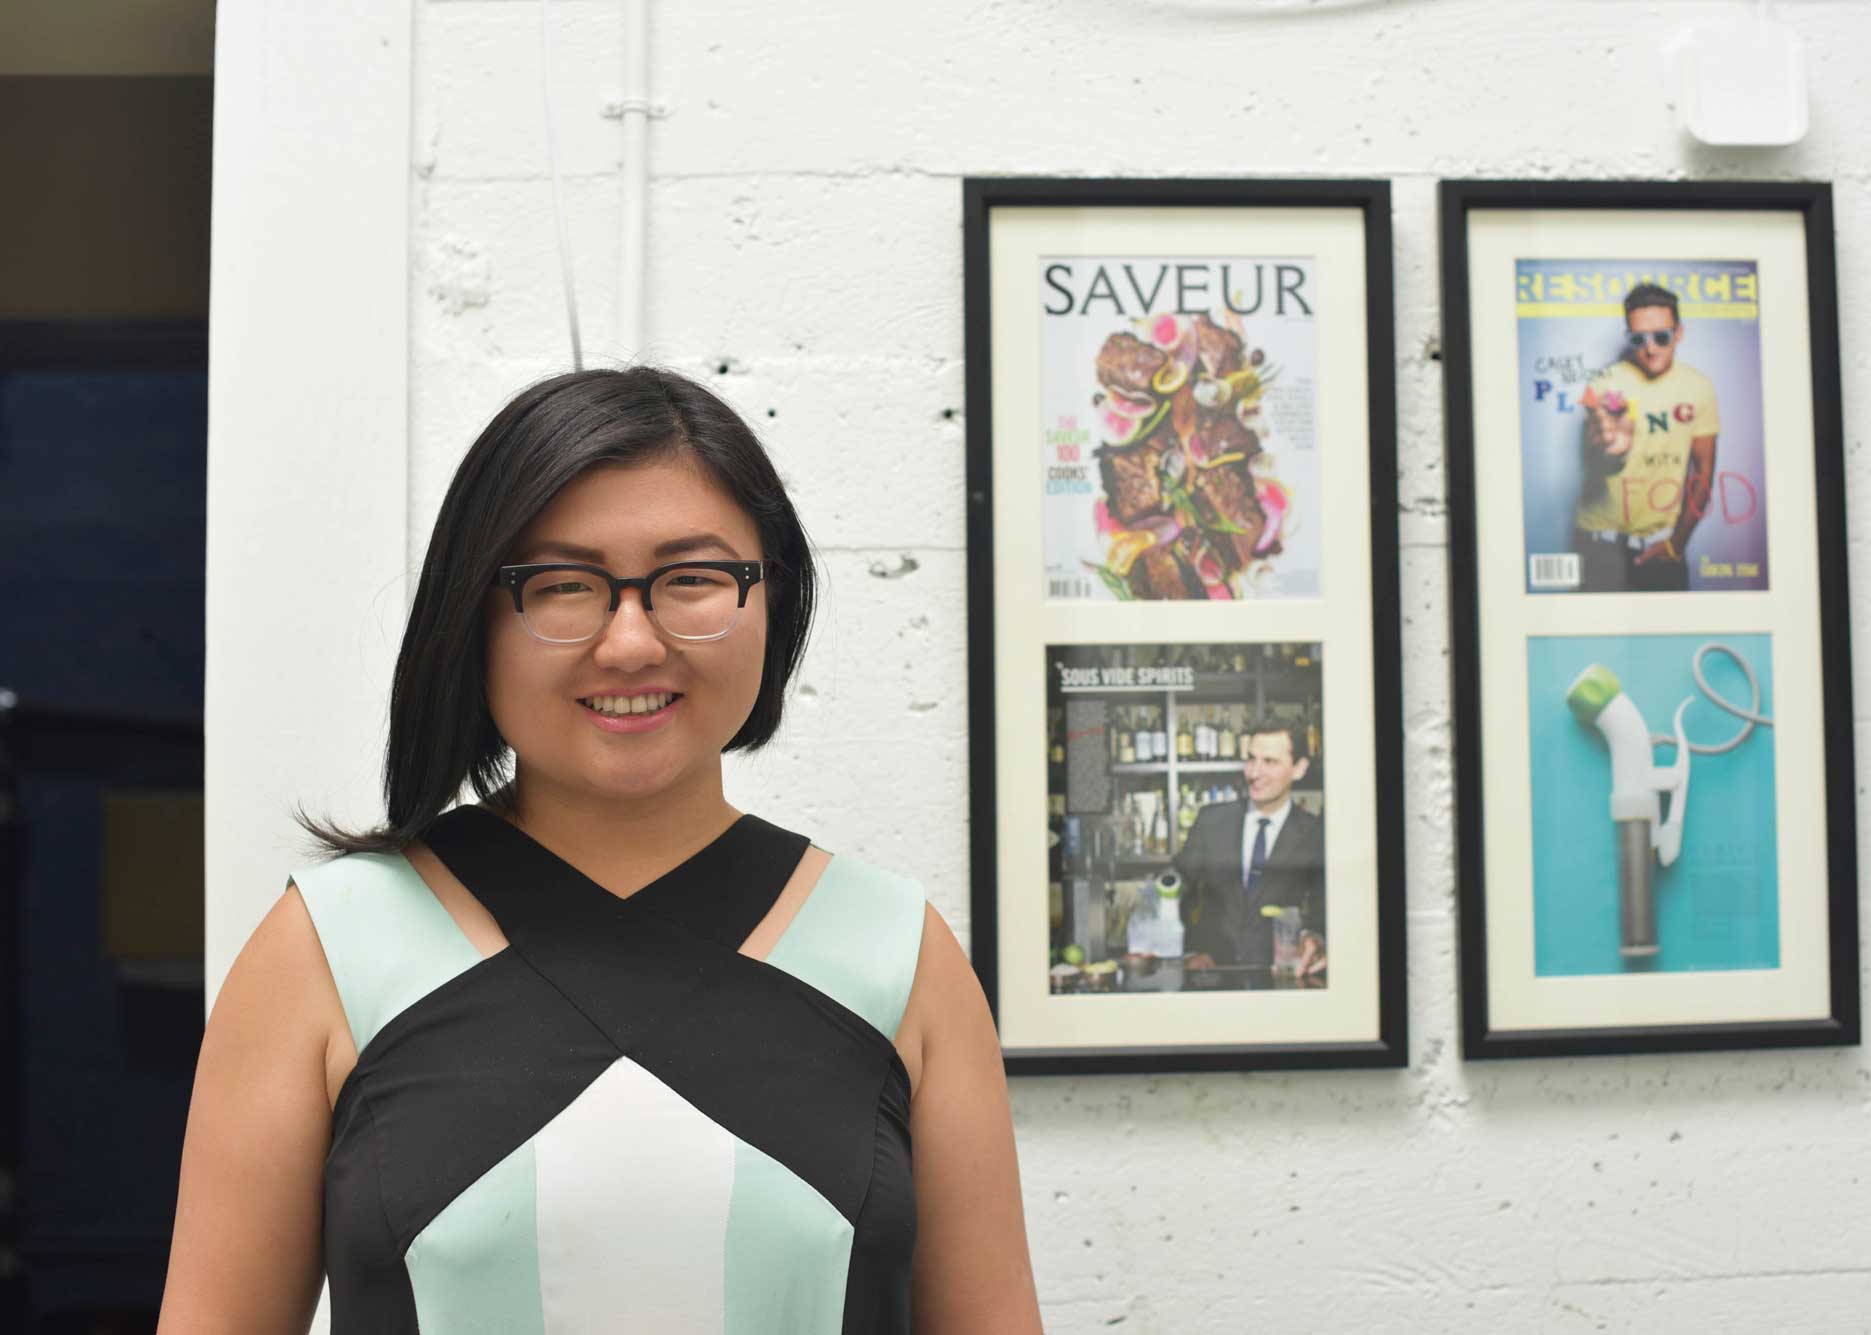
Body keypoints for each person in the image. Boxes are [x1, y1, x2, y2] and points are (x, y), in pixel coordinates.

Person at [158, 368, 1043, 1333]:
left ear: (772, 599)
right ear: (474, 617)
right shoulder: (324, 950)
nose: (630, 643)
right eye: (562, 586)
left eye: (692, 579)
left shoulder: (898, 954)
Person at [1573, 282, 1721, 593]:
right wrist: (1614, 449)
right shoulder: (1604, 383)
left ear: (1678, 333)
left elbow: (1703, 472)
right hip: (1599, 547)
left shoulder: (1699, 387)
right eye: (1638, 338)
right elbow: (1596, 448)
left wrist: (1676, 546)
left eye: (1662, 337)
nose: (1650, 348)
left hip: (1661, 549)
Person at [1171, 717, 1326, 986]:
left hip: (1282, 982)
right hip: (1212, 981)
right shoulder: (1211, 821)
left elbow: (1327, 907)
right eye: (1251, 759)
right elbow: (1177, 890)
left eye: (1270, 762)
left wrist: (1318, 938)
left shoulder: (1317, 834)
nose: (1254, 773)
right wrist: (1188, 951)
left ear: (1299, 769)